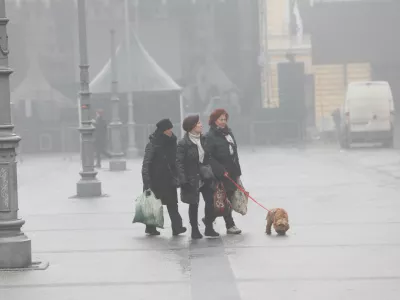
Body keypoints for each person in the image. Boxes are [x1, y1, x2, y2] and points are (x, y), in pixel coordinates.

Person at [176, 115, 220, 239]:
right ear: (192, 126)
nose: (201, 125)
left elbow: (210, 157)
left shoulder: (205, 139)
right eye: (198, 123)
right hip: (192, 178)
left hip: (206, 176)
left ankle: (209, 228)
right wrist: (183, 180)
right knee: (194, 204)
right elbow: (179, 163)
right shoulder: (183, 143)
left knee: (210, 202)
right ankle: (194, 230)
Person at [142, 118, 187, 236]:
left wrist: (178, 175)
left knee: (173, 204)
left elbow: (175, 160)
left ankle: (177, 227)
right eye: (168, 129)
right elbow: (146, 164)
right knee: (154, 205)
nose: (170, 131)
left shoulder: (172, 142)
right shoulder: (153, 144)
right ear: (162, 130)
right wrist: (147, 182)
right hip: (155, 180)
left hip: (169, 180)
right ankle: (150, 228)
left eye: (171, 129)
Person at [204, 108, 242, 235]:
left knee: (228, 198)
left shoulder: (228, 133)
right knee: (222, 199)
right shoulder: (210, 136)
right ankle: (230, 225)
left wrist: (237, 172)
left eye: (225, 119)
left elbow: (234, 153)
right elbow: (208, 156)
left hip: (232, 171)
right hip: (220, 173)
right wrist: (220, 170)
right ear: (214, 121)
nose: (223, 122)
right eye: (221, 119)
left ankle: (209, 219)